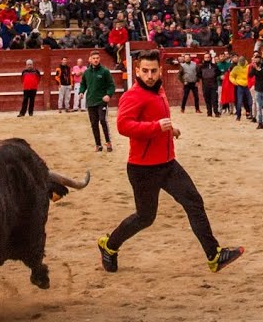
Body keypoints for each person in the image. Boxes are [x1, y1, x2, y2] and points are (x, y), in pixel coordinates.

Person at [97, 50, 243, 274]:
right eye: (144, 71)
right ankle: (109, 245)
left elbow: (156, 119)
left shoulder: (159, 90)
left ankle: (214, 256)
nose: (149, 75)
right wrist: (156, 128)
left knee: (194, 202)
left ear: (160, 71)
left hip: (167, 163)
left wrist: (169, 130)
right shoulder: (133, 95)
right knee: (145, 217)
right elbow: (123, 126)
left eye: (153, 71)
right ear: (137, 71)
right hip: (142, 169)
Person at [79, 50, 115, 152]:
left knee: (103, 120)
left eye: (97, 58)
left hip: (101, 100)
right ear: (90, 59)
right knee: (94, 123)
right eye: (94, 58)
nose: (95, 60)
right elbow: (83, 84)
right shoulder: (86, 72)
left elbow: (111, 85)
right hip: (91, 101)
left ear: (100, 59)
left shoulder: (104, 71)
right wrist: (81, 92)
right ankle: (98, 145)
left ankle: (108, 143)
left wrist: (108, 95)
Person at [200, 53, 220, 117]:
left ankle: (216, 112)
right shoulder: (201, 67)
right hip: (205, 86)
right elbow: (199, 75)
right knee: (207, 100)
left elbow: (218, 73)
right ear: (204, 58)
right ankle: (209, 113)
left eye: (208, 57)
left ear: (210, 58)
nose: (207, 58)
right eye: (206, 57)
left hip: (213, 85)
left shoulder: (214, 66)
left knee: (214, 100)